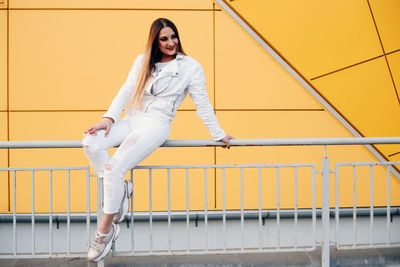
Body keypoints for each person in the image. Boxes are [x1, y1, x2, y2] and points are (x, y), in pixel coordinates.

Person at [82, 17, 232, 262]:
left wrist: (218, 134)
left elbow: (202, 104)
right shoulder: (142, 62)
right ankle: (119, 191)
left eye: (173, 37)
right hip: (132, 119)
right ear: (155, 41)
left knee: (113, 170)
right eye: (164, 39)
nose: (171, 42)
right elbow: (126, 90)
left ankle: (104, 232)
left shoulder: (190, 67)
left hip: (156, 124)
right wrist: (108, 119)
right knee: (90, 141)